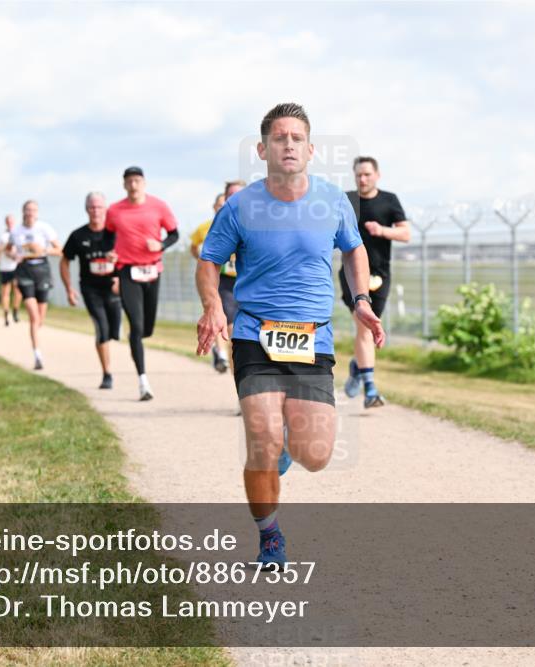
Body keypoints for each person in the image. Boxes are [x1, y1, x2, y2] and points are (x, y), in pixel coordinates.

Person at [196, 103, 384, 567]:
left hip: (312, 339)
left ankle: (280, 458)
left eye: (297, 138)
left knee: (316, 454)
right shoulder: (241, 206)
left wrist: (361, 301)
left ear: (311, 149)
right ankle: (270, 536)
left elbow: (355, 251)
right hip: (254, 336)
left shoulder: (333, 201)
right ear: (263, 149)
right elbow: (208, 262)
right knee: (262, 436)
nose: (288, 145)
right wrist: (213, 305)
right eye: (279, 138)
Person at [340, 156, 410, 408]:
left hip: (381, 275)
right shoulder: (347, 200)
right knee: (364, 327)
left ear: (377, 175)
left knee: (369, 328)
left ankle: (357, 368)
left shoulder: (389, 200)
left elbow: (405, 233)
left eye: (367, 174)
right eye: (358, 174)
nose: (362, 179)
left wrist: (382, 230)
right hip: (351, 274)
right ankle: (370, 388)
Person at [106, 166, 179, 400]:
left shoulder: (159, 206)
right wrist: (110, 253)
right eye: (129, 181)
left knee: (147, 327)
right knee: (136, 328)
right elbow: (107, 237)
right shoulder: (115, 210)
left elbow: (174, 234)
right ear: (124, 184)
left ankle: (139, 337)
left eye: (137, 180)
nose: (133, 185)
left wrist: (161, 245)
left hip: (152, 271)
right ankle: (143, 381)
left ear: (144, 183)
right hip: (127, 271)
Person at [61, 192, 121, 389]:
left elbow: (129, 256)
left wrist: (119, 272)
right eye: (92, 207)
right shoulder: (78, 235)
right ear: (87, 209)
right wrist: (69, 288)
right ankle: (107, 374)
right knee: (101, 329)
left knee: (114, 330)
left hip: (112, 288)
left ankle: (111, 335)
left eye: (99, 207)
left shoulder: (115, 233)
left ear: (106, 209)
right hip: (90, 288)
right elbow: (64, 261)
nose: (95, 211)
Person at [189, 180, 246, 374]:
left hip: (249, 283)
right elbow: (195, 248)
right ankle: (224, 358)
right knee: (231, 330)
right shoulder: (208, 227)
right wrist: (205, 263)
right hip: (224, 282)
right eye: (230, 196)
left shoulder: (258, 223)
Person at [7, 200, 61, 370]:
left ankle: (35, 339)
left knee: (40, 319)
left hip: (42, 269)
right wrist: (15, 256)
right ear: (23, 212)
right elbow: (8, 250)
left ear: (37, 213)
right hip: (24, 271)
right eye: (27, 210)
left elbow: (59, 249)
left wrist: (42, 250)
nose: (30, 213)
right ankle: (37, 354)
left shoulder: (44, 228)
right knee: (34, 316)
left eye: (33, 210)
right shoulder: (16, 231)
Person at [0, 214, 22, 326]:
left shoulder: (19, 233)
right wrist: (6, 248)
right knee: (5, 292)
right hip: (5, 267)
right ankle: (6, 314)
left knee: (18, 291)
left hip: (17, 266)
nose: (10, 223)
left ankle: (15, 310)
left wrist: (16, 256)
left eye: (11, 221)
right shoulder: (1, 235)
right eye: (8, 221)